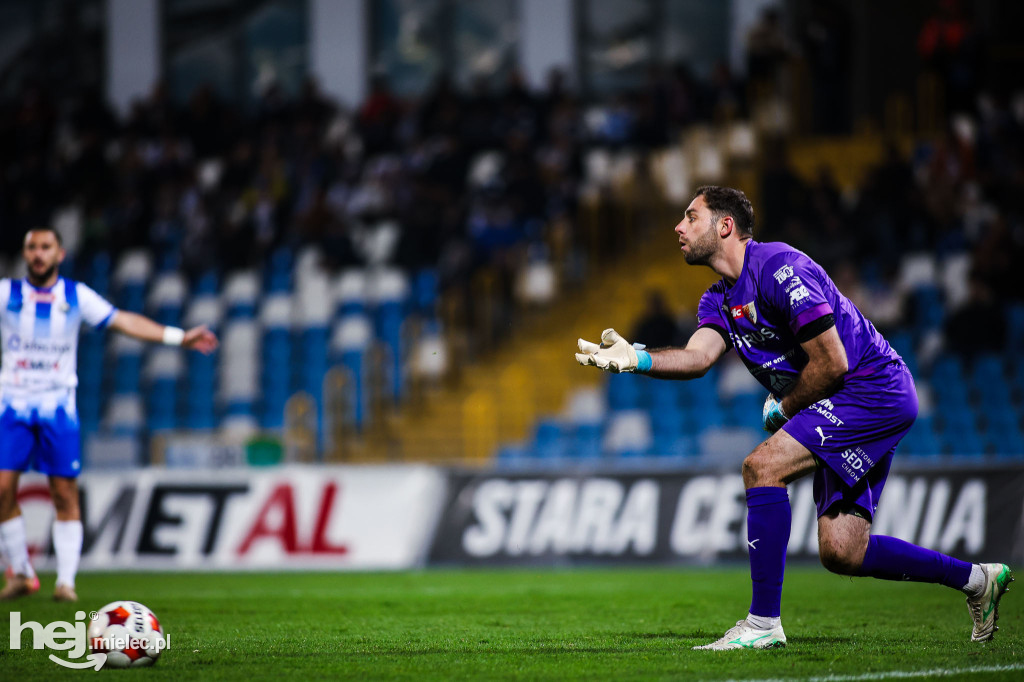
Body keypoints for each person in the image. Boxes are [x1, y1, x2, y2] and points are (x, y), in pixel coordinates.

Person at [575, 186, 1012, 649]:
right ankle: (977, 580)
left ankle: (763, 624)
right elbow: (697, 358)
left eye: (690, 216)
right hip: (845, 400)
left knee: (762, 467)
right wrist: (636, 359)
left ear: (725, 226)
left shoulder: (781, 268)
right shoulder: (718, 299)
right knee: (843, 550)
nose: (678, 227)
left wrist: (783, 408)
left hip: (872, 390)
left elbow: (833, 362)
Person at [0, 228, 218, 602]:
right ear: (24, 253)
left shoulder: (75, 295)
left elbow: (124, 321)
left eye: (45, 247)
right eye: (32, 248)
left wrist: (177, 337)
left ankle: (66, 582)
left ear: (60, 254)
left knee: (64, 492)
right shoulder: (6, 293)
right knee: (2, 490)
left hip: (58, 407)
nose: (38, 254)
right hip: (11, 405)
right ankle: (20, 572)